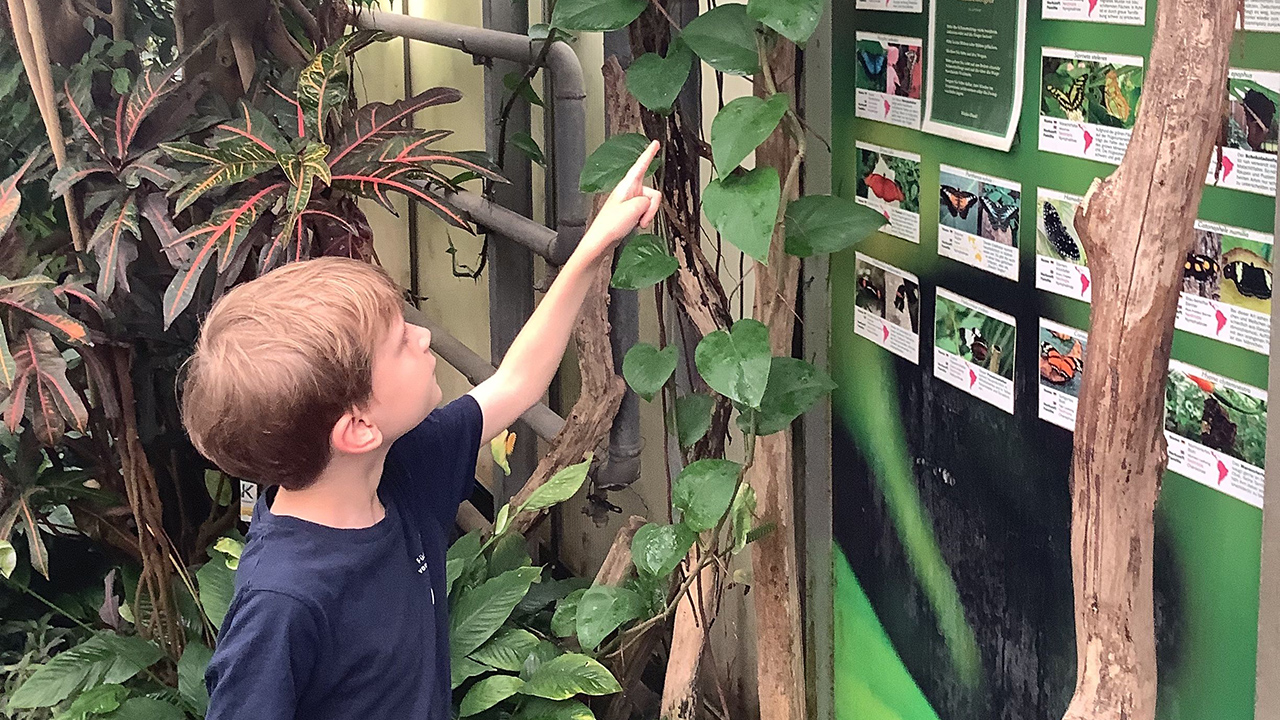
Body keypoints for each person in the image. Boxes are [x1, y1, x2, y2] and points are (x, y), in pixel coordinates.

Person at [181, 141, 663, 720]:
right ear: (357, 427)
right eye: (400, 342)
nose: (424, 337)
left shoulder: (400, 467)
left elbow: (515, 382)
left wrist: (595, 244)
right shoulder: (283, 603)